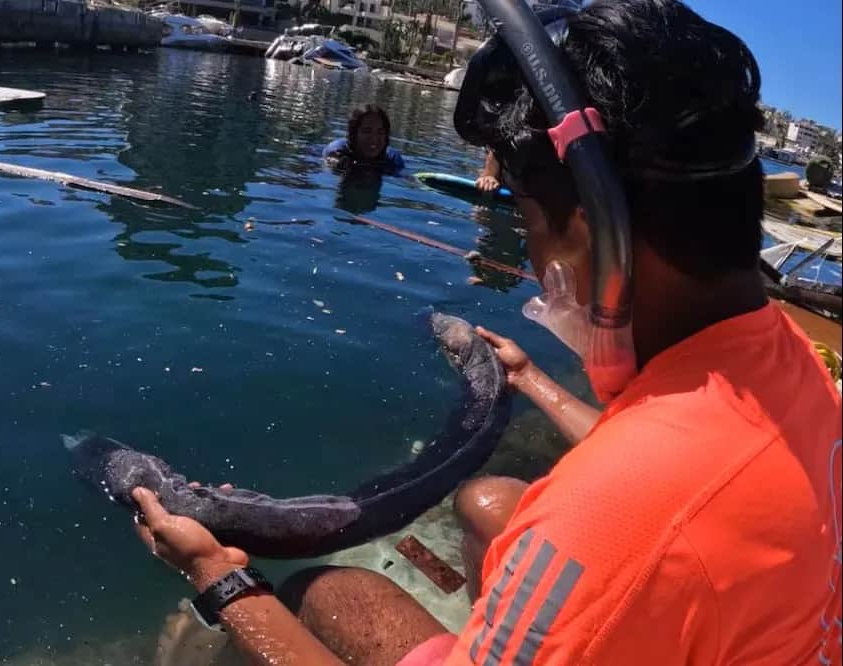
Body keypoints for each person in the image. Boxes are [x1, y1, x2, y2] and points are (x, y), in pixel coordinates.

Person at [130, 1, 842, 665]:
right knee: (489, 502)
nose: (533, 259)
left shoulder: (610, 521)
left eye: (527, 216)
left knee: (326, 593)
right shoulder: (784, 361)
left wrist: (216, 573)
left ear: (592, 229)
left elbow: (642, 507)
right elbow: (682, 486)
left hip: (629, 569)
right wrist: (528, 377)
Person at [323, 104, 406, 174]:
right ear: (354, 133)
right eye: (366, 131)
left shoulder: (392, 160)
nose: (374, 139)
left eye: (380, 132)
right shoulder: (338, 151)